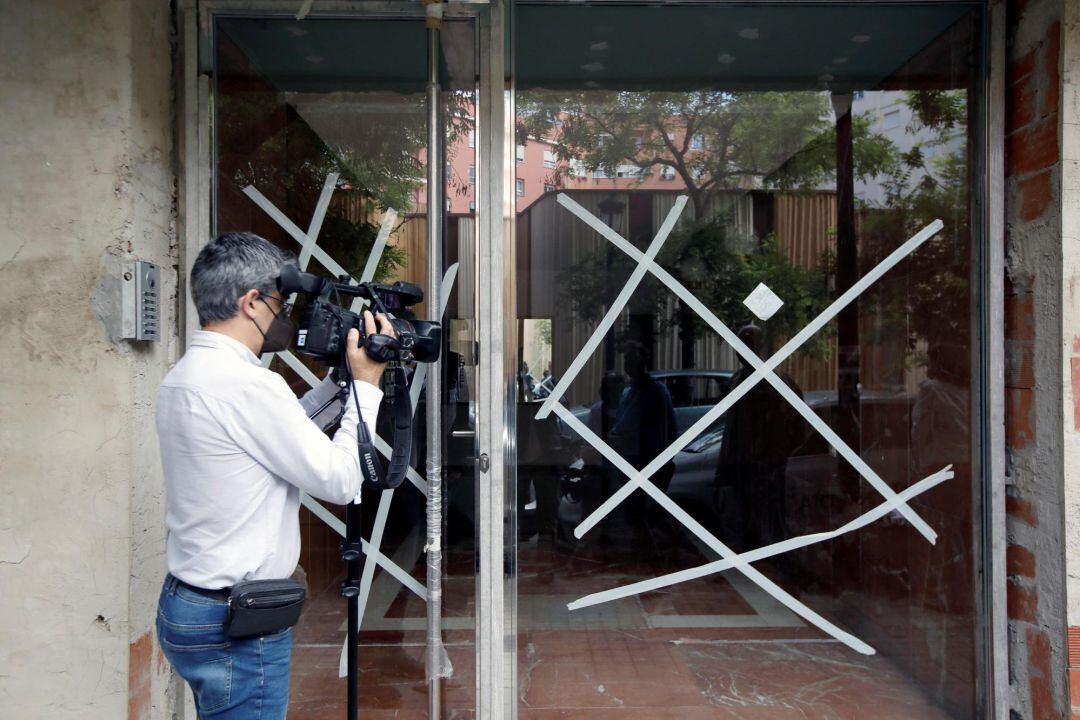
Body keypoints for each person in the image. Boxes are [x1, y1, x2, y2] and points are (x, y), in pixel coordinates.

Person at [154, 232, 395, 719]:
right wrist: (367, 388)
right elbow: (342, 480)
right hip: (235, 619)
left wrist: (339, 382)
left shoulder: (185, 375)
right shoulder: (247, 384)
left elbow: (278, 438)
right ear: (251, 303)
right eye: (280, 303)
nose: (284, 317)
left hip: (188, 604)